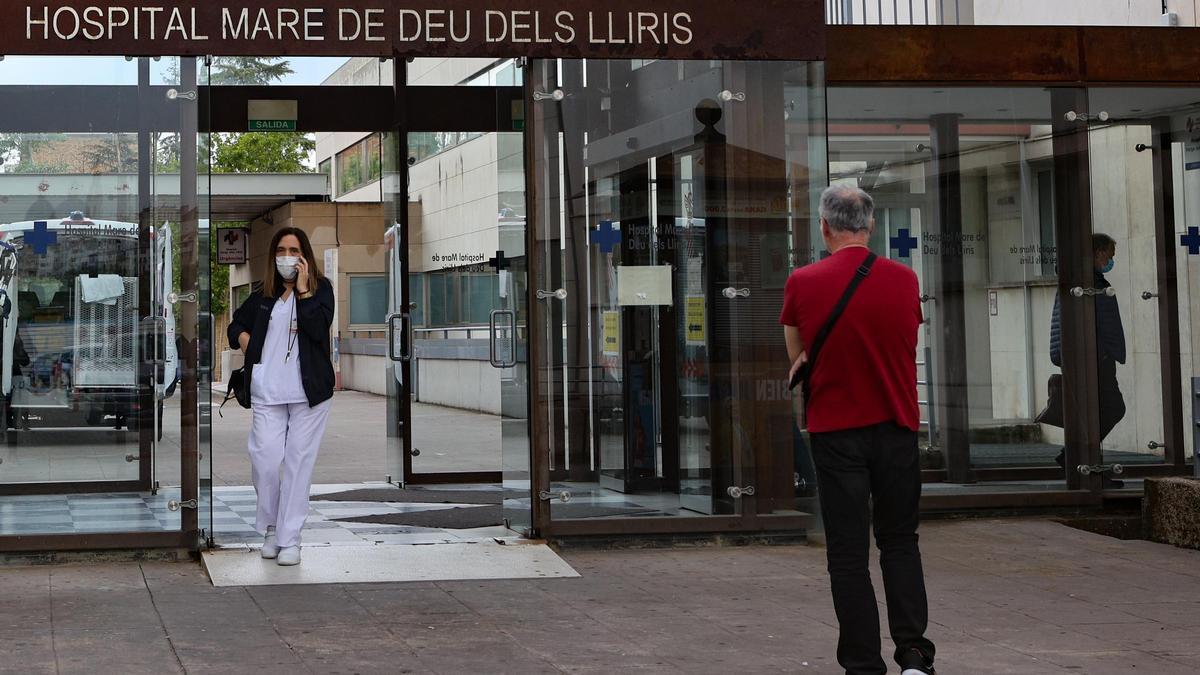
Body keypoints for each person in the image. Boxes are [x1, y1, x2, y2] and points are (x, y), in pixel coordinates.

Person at [780, 185, 935, 675]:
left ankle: (863, 664)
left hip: (836, 431)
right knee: (900, 542)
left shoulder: (802, 282)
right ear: (869, 226)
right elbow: (904, 339)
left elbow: (797, 356)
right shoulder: (905, 279)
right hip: (897, 426)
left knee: (848, 553)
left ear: (824, 227)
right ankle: (914, 655)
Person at [228, 227, 335, 566]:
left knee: (296, 465)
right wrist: (248, 343)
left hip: (309, 393)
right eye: (282, 250)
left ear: (305, 256)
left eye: (294, 250)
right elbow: (235, 326)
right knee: (266, 461)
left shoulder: (322, 290)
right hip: (267, 390)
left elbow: (318, 330)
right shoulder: (263, 294)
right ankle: (272, 527)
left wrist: (303, 291)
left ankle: (290, 539)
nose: (288, 257)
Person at [1048, 233, 1126, 488]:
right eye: (1110, 255)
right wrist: (1106, 352)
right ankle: (1076, 460)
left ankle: (1084, 465)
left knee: (1096, 412)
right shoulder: (1086, 281)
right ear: (1099, 252)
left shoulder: (1078, 279)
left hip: (1087, 356)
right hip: (1094, 358)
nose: (1110, 261)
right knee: (1112, 407)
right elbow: (1099, 323)